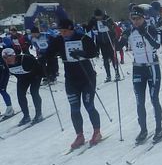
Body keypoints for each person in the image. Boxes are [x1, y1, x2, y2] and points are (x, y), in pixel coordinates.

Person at [47, 18, 102, 149]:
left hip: (87, 76)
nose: (62, 33)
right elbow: (49, 53)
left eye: (65, 31)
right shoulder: (58, 40)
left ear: (71, 29)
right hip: (71, 79)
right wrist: (43, 60)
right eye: (60, 31)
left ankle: (97, 132)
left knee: (89, 105)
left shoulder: (83, 38)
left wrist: (82, 53)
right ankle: (79, 135)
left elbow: (94, 52)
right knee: (74, 108)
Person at [127, 6, 162, 143]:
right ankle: (143, 130)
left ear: (144, 18)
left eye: (138, 18)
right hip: (138, 68)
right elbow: (119, 46)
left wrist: (145, 34)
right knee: (139, 101)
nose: (136, 21)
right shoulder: (131, 30)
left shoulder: (151, 28)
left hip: (152, 67)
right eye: (133, 19)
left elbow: (157, 45)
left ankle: (158, 129)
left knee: (154, 98)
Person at [2, 48, 44, 125]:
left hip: (35, 76)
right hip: (22, 78)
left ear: (14, 55)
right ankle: (26, 116)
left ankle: (39, 114)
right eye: (4, 57)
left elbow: (38, 65)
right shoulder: (5, 64)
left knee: (34, 92)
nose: (7, 59)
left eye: (9, 56)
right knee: (20, 95)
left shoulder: (25, 58)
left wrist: (44, 74)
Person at [89, 9, 121, 82]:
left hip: (110, 41)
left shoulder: (108, 18)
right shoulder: (94, 20)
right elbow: (91, 27)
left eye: (99, 16)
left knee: (113, 58)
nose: (98, 18)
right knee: (105, 59)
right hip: (102, 42)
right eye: (97, 17)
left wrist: (107, 25)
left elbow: (114, 28)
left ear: (102, 15)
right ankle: (108, 75)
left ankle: (117, 74)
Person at [0, 50, 14, 118]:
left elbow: (3, 68)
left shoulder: (2, 54)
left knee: (2, 91)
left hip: (4, 75)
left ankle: (10, 109)